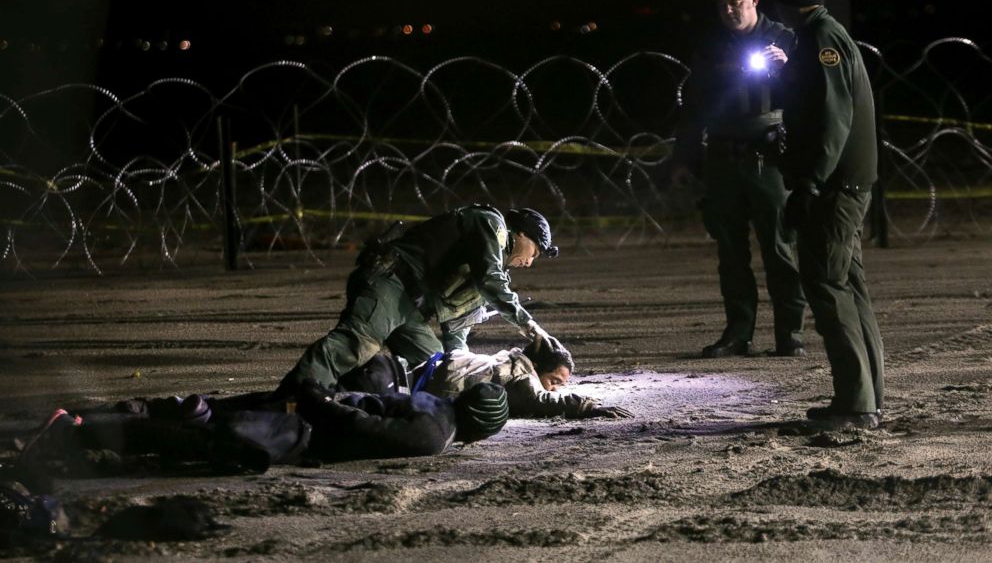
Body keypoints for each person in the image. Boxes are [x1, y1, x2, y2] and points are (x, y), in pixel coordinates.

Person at [767, 0, 884, 429]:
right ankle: (866, 397)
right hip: (842, 183)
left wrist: (811, 181)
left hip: (835, 188)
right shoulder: (823, 36)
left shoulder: (822, 39)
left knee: (827, 286)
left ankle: (856, 406)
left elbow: (834, 118)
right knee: (848, 287)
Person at [277, 205, 561, 394]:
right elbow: (490, 280)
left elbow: (458, 329)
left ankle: (347, 395)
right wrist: (529, 325)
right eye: (534, 251)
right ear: (521, 233)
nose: (530, 261)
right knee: (354, 345)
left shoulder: (491, 265)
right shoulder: (491, 225)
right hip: (391, 284)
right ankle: (291, 400)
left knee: (434, 370)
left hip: (411, 309)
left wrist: (462, 365)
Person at [671, 0, 807, 359]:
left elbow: (810, 97)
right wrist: (683, 159)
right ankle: (738, 333)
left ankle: (789, 333)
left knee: (779, 250)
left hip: (769, 157)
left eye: (736, 1)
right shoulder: (711, 47)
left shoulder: (785, 39)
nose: (729, 10)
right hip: (722, 159)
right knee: (730, 253)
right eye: (722, 4)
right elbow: (694, 107)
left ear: (754, 1)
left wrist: (788, 68)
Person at [15, 382, 510, 472]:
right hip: (297, 430)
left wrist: (319, 392)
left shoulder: (434, 408)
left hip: (300, 412)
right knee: (197, 440)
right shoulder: (433, 435)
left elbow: (371, 402)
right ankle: (76, 430)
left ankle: (86, 419)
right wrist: (316, 400)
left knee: (203, 416)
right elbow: (358, 427)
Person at [340, 339, 633, 419]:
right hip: (390, 380)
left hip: (391, 371)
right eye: (554, 380)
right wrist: (586, 406)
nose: (554, 388)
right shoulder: (521, 372)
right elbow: (540, 400)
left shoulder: (510, 360)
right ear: (537, 367)